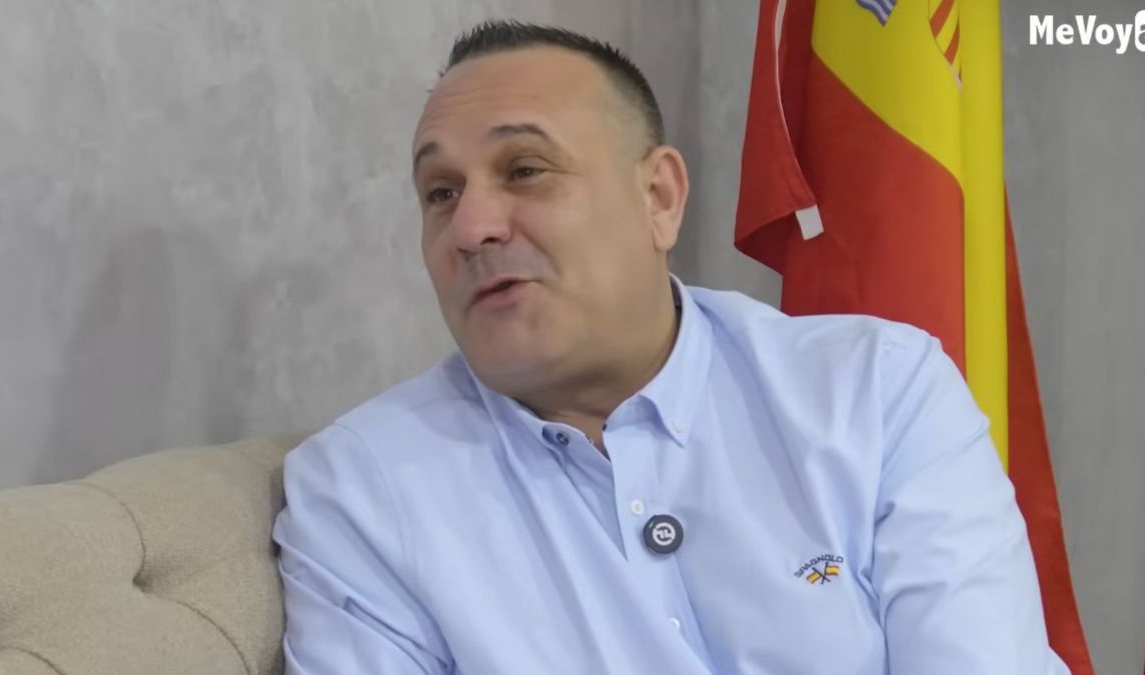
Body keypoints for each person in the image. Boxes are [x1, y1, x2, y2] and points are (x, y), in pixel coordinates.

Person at [272, 20, 1069, 675]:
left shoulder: (878, 393)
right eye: (440, 193)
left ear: (658, 197)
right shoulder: (361, 493)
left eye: (525, 169)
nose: (471, 226)